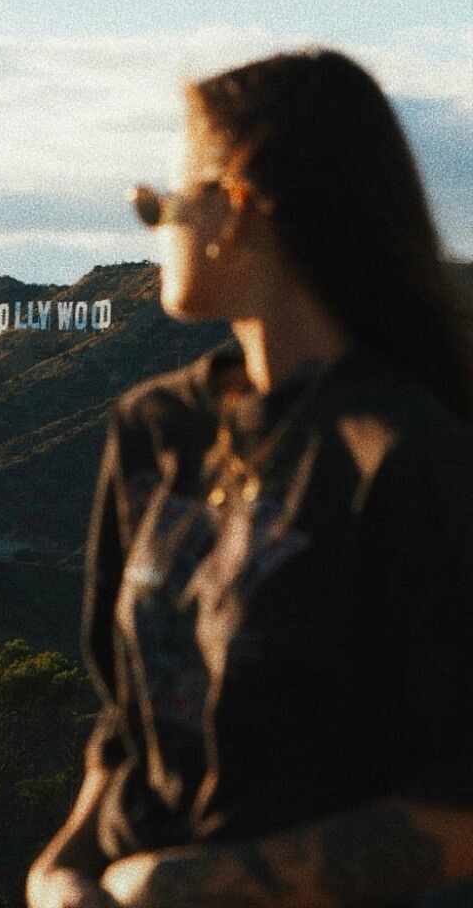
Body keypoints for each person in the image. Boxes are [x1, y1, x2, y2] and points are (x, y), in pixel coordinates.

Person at [25, 46, 473, 908]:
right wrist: (61, 871)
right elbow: (131, 727)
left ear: (233, 210)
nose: (155, 230)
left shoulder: (409, 457)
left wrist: (198, 884)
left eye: (159, 203)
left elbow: (456, 812)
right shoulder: (156, 429)